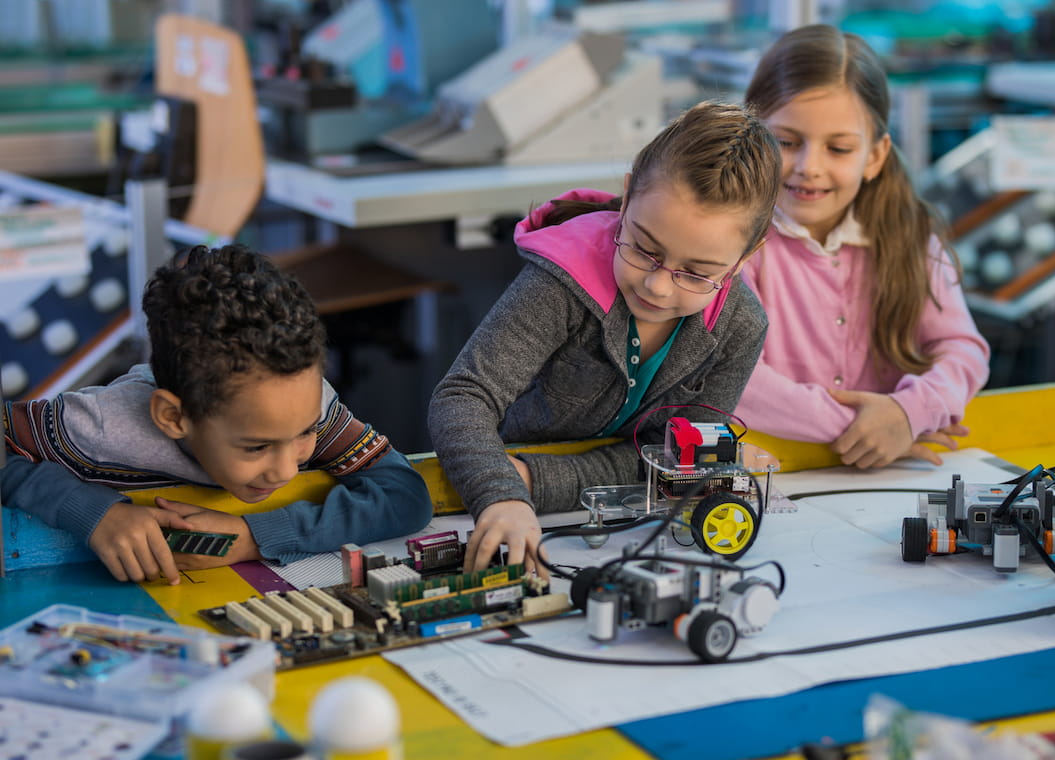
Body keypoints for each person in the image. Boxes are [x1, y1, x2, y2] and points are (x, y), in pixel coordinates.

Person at [428, 101, 782, 576]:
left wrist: (535, 482)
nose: (658, 285)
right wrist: (501, 495)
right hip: (501, 503)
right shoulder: (561, 283)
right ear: (630, 191)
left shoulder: (740, 326)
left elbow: (679, 466)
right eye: (644, 248)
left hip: (607, 520)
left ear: (745, 257)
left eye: (697, 273)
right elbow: (463, 396)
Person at [3, 244, 432, 585]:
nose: (285, 468)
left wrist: (252, 538)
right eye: (257, 446)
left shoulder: (306, 401)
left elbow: (404, 494)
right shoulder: (100, 424)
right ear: (173, 417)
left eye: (304, 434)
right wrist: (93, 512)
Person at [733, 24, 990, 469]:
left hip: (890, 471)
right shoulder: (729, 244)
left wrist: (911, 412)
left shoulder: (911, 238)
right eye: (787, 142)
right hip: (773, 472)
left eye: (839, 148)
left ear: (874, 156)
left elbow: (965, 350)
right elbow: (736, 377)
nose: (809, 167)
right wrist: (868, 426)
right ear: (751, 140)